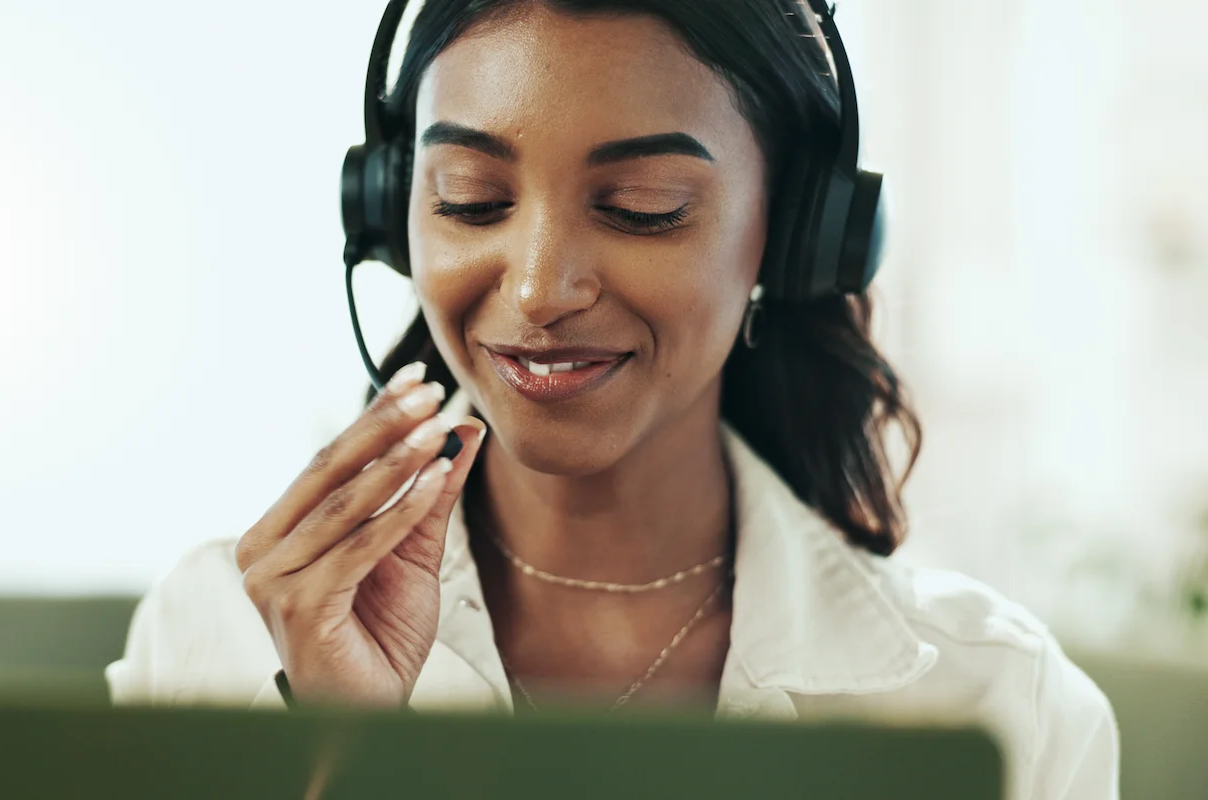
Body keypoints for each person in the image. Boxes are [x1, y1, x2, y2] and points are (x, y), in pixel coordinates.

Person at [108, 1, 1119, 796]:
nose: (541, 288)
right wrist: (341, 754)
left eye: (643, 210)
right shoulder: (218, 634)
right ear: (388, 208)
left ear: (798, 234)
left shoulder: (999, 703)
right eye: (469, 198)